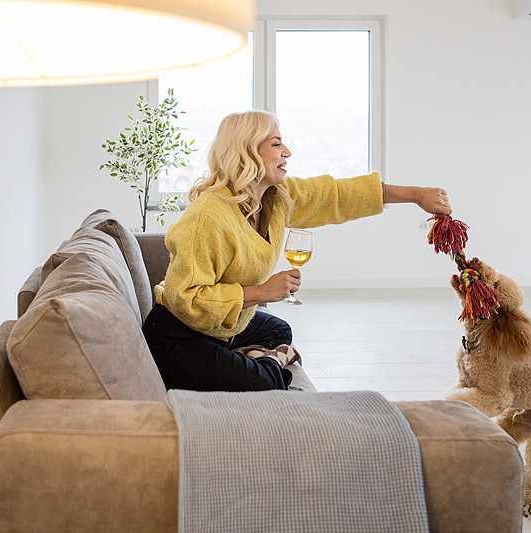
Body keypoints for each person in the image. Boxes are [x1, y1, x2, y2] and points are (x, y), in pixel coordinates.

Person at [142, 110, 452, 392]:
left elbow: (337, 195)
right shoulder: (208, 215)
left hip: (223, 329)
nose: (287, 152)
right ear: (247, 151)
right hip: (178, 335)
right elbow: (186, 298)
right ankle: (263, 370)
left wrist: (416, 195)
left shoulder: (276, 198)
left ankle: (242, 359)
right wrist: (261, 292)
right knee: (261, 380)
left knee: (279, 329)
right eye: (276, 144)